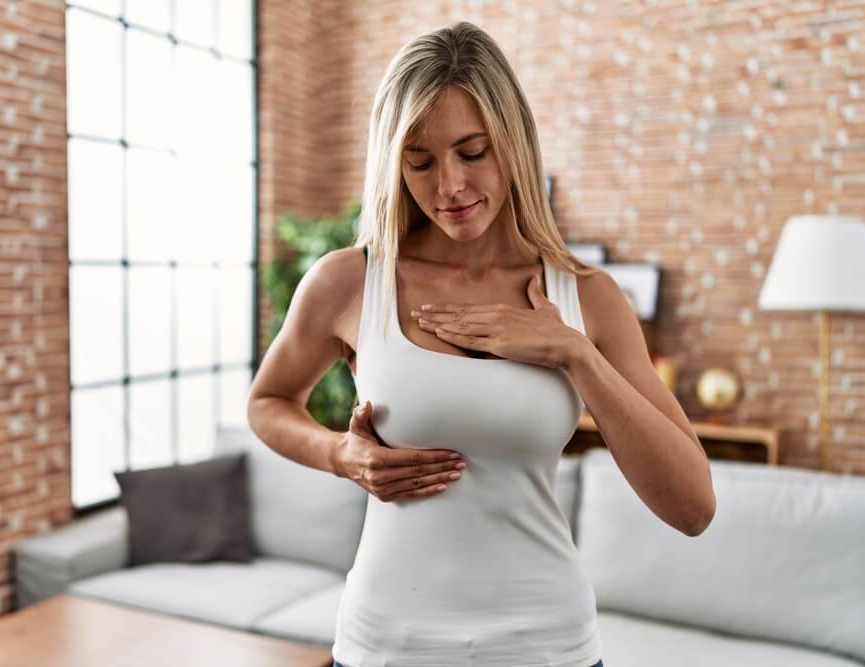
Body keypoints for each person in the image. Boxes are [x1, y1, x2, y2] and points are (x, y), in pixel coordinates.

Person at [248, 20, 716, 667]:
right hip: (388, 645)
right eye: (420, 161)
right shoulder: (350, 280)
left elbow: (692, 507)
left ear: (515, 143)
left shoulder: (588, 296)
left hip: (549, 647)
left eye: (473, 152)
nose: (450, 187)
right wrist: (340, 455)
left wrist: (572, 352)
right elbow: (268, 401)